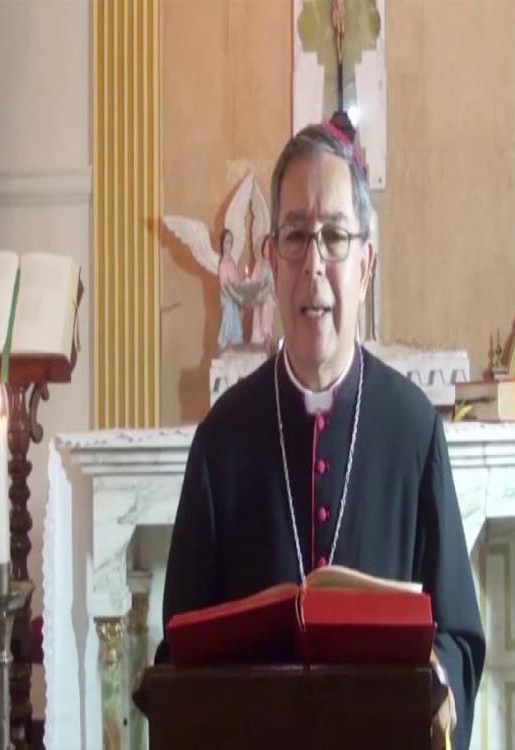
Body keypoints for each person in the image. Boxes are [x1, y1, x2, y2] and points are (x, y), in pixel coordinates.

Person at [159, 123, 485, 748]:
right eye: (294, 236)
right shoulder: (221, 442)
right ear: (271, 261)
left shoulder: (414, 431)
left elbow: (459, 637)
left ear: (365, 266)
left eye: (334, 236)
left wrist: (438, 683)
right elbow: (179, 650)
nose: (313, 263)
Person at [217, 227, 244, 349]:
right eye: (227, 241)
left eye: (230, 242)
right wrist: (235, 296)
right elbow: (225, 285)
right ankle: (227, 340)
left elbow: (236, 279)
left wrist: (242, 285)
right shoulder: (222, 264)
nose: (229, 245)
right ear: (222, 244)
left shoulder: (232, 262)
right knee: (229, 310)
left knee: (236, 315)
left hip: (234, 295)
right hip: (227, 296)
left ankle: (233, 342)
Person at [250, 235, 276, 347]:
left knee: (267, 318)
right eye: (265, 246)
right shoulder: (259, 264)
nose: (267, 249)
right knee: (258, 321)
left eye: (269, 247)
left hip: (268, 298)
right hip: (259, 297)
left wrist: (270, 285)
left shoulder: (274, 266)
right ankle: (257, 341)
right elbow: (253, 281)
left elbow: (275, 285)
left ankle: (266, 339)